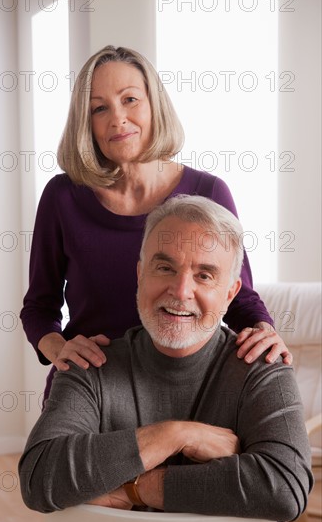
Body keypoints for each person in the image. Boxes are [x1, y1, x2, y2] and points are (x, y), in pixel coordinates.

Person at [20, 45, 291, 402]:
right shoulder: (62, 197)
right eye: (99, 108)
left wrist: (264, 330)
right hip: (90, 386)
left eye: (129, 99)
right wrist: (59, 349)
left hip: (183, 389)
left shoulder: (209, 191)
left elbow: (236, 295)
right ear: (87, 124)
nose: (117, 118)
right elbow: (39, 307)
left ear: (153, 104)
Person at [19, 195, 312, 520]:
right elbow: (39, 477)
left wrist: (136, 488)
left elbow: (284, 488)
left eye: (204, 275)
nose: (181, 289)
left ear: (230, 294)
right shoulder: (89, 366)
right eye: (165, 267)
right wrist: (176, 434)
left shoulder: (263, 366)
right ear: (140, 274)